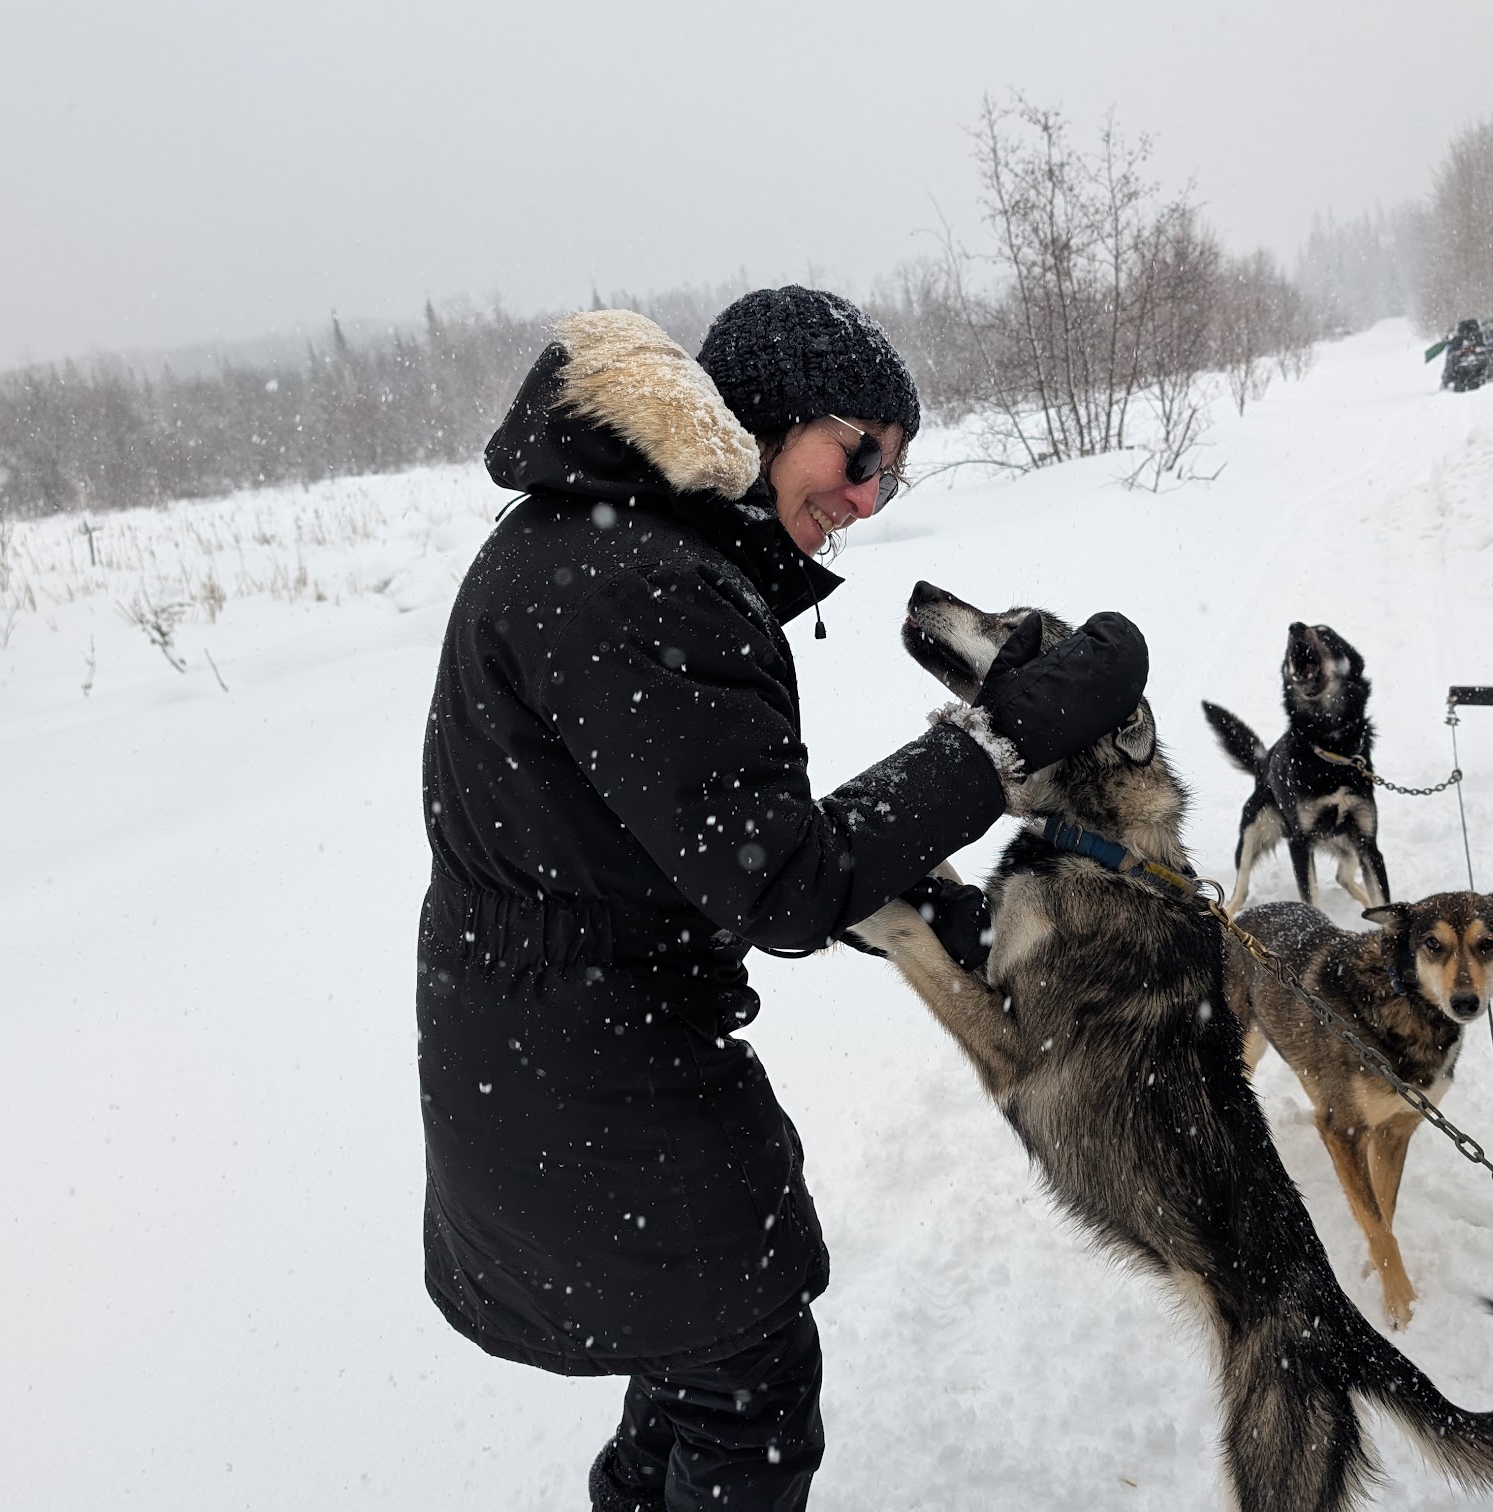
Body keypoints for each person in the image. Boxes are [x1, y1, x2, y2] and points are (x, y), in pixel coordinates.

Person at [415, 286, 1149, 1511]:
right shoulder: (645, 579)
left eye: (889, 479)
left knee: (691, 1364)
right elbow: (779, 878)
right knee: (742, 1386)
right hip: (590, 1070)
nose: (864, 499)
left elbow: (694, 846)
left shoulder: (606, 542)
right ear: (764, 415)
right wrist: (1001, 739)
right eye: (857, 453)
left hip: (550, 1047)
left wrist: (938, 908)